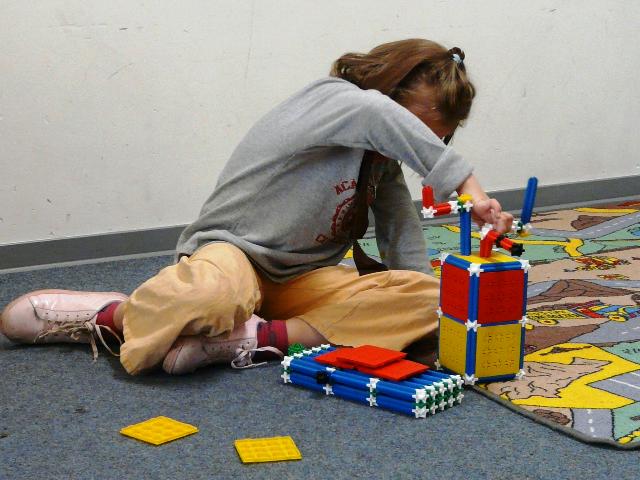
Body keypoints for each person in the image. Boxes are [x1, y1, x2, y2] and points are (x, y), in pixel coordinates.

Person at [0, 39, 513, 376]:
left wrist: (426, 311)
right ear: (389, 95)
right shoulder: (336, 100)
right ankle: (112, 314)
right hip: (234, 255)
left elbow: (403, 241)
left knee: (434, 296)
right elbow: (377, 113)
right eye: (420, 132)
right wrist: (467, 185)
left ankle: (255, 337)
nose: (423, 145)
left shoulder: (379, 162)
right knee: (209, 295)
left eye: (440, 139)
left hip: (302, 280)